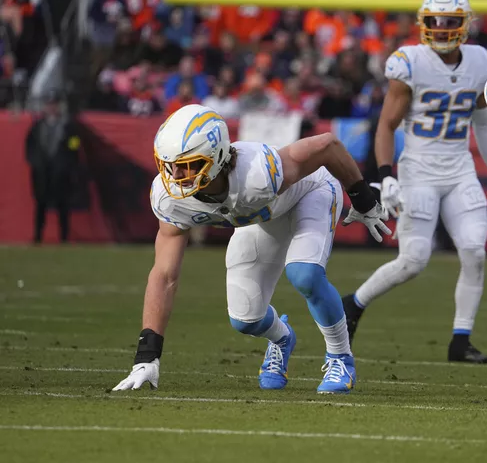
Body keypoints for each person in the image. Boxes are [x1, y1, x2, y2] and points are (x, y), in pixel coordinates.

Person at [111, 104, 390, 393]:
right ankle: (282, 339)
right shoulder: (170, 199)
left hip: (309, 191)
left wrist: (364, 200)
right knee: (245, 319)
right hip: (261, 216)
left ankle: (340, 357)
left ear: (217, 156)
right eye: (171, 165)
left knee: (304, 274)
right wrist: (147, 356)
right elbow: (164, 275)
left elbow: (328, 146)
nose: (178, 175)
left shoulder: (257, 173)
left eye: (190, 164)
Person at [341, 0, 487, 364]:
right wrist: (385, 176)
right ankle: (354, 303)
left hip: (460, 168)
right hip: (419, 171)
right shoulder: (410, 62)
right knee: (414, 259)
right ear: (423, 24)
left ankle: (460, 341)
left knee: (476, 252)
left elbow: (482, 119)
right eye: (435, 21)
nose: (443, 28)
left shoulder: (480, 61)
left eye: (451, 21)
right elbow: (386, 124)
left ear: (466, 24)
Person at [25, 91, 80, 243]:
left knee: (62, 204)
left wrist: (69, 164)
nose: (51, 108)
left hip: (61, 171)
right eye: (49, 105)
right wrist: (35, 162)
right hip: (42, 171)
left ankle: (63, 237)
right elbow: (30, 147)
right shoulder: (37, 126)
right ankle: (38, 236)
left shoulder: (68, 126)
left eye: (54, 104)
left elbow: (75, 145)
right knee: (41, 203)